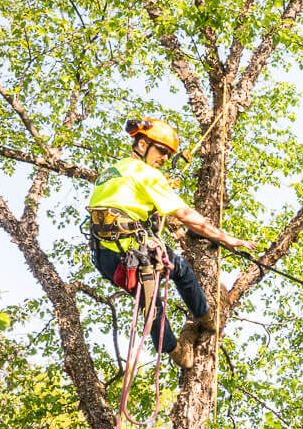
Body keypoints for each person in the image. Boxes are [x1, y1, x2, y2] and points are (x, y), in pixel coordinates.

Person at [87, 117, 255, 369]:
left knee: (149, 301)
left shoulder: (112, 171)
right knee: (181, 269)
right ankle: (207, 318)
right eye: (162, 151)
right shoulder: (147, 174)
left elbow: (127, 202)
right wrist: (224, 237)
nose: (165, 158)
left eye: (168, 154)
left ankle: (178, 352)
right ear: (142, 145)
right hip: (131, 255)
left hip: (104, 258)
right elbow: (186, 216)